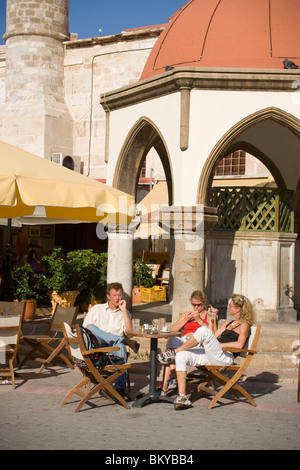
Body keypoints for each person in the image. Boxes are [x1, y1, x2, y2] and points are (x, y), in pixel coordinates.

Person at [157, 294, 255, 410]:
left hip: (225, 356)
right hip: (213, 353)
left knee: (202, 330)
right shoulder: (228, 323)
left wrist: (221, 345)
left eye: (231, 306)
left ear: (238, 309)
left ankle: (174, 352)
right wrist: (213, 318)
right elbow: (213, 335)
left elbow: (239, 344)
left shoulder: (244, 325)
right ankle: (182, 397)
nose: (228, 307)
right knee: (182, 356)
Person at [83, 282, 140, 400]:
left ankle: (120, 389)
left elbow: (129, 332)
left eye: (119, 295)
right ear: (108, 296)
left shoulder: (125, 313)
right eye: (114, 295)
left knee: (121, 348)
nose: (117, 298)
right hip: (97, 344)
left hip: (114, 346)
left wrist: (124, 310)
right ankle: (123, 341)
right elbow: (86, 328)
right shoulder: (97, 309)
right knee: (91, 327)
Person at [159, 290, 218, 395]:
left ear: (204, 303)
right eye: (194, 305)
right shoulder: (187, 314)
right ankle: (171, 375)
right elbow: (173, 329)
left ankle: (165, 386)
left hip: (197, 343)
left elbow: (212, 334)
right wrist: (185, 319)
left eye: (199, 305)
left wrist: (198, 319)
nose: (196, 308)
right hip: (183, 341)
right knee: (172, 339)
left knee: (170, 358)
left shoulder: (208, 315)